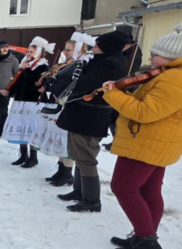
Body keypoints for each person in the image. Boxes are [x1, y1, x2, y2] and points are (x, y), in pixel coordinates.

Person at [103, 21, 182, 249]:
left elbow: (144, 112)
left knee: (123, 187)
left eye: (156, 55)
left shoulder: (178, 79)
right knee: (148, 189)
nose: (152, 59)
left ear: (171, 57)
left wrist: (113, 95)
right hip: (158, 141)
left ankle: (147, 239)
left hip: (148, 142)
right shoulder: (176, 76)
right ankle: (145, 234)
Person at [55, 30, 130, 212]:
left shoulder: (111, 64)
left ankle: (92, 200)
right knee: (77, 153)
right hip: (81, 115)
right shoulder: (101, 60)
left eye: (97, 46)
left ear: (108, 48)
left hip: (90, 117)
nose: (94, 48)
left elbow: (84, 85)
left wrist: (72, 79)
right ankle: (79, 192)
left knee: (86, 157)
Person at [31, 35, 87, 187]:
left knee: (66, 141)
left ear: (79, 50)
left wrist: (60, 92)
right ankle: (61, 170)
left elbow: (74, 84)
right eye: (65, 49)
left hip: (67, 105)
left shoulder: (81, 64)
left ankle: (67, 174)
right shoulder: (69, 63)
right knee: (60, 140)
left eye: (69, 50)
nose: (66, 52)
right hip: (58, 104)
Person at [3, 37, 54, 168]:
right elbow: (19, 82)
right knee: (22, 128)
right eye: (28, 52)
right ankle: (23, 155)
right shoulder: (25, 65)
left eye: (31, 52)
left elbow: (42, 83)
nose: (28, 54)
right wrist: (9, 91)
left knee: (32, 129)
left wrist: (25, 70)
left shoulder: (42, 66)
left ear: (38, 53)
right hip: (21, 101)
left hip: (34, 102)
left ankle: (33, 157)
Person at [0, 41, 20, 136]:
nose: (5, 49)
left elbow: (17, 76)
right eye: (3, 47)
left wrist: (10, 89)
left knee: (3, 112)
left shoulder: (13, 60)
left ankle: (2, 131)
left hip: (5, 91)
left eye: (6, 47)